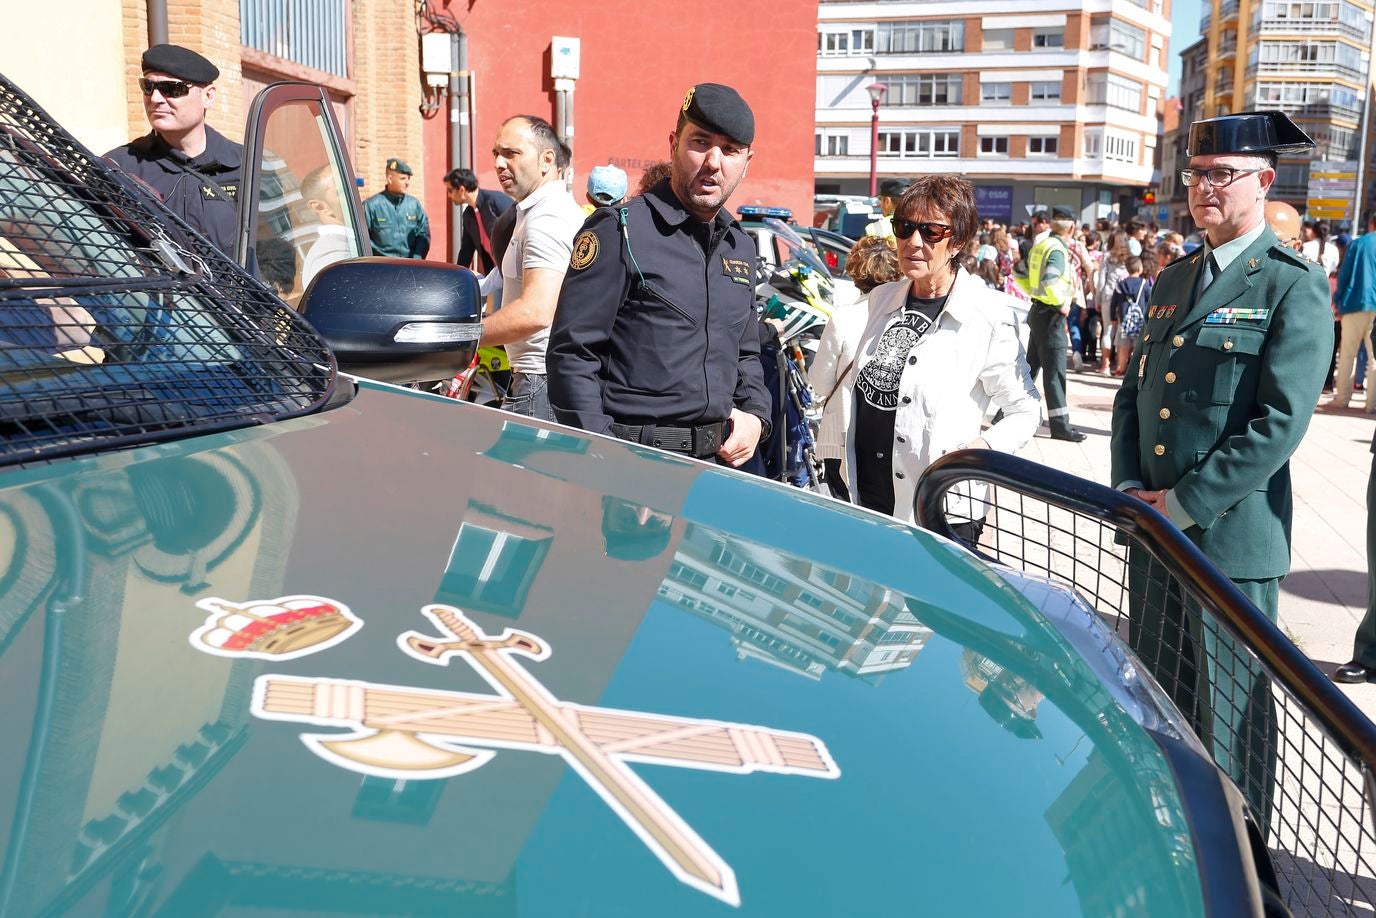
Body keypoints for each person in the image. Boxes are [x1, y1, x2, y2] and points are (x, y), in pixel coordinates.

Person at [1110, 111, 1330, 821]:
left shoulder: (1292, 285)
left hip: (1229, 544)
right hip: (1154, 534)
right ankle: (1176, 845)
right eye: (1196, 174)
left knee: (1232, 728)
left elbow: (1279, 425)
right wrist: (1127, 491)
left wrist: (1182, 504)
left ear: (1264, 181)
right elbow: (1133, 397)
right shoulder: (1174, 280)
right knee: (1160, 703)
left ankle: (1244, 871)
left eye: (1221, 174)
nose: (1204, 187)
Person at [547, 83, 771, 465]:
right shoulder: (620, 231)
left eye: (730, 150)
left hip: (716, 468)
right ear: (673, 144)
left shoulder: (740, 246)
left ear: (747, 161)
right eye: (700, 142)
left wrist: (755, 415)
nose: (714, 162)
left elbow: (746, 352)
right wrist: (608, 458)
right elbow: (572, 355)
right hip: (633, 466)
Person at [833, 174, 1039, 526]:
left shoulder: (985, 316)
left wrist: (977, 452)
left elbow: (1024, 409)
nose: (912, 242)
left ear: (957, 241)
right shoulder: (879, 300)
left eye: (930, 232)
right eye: (903, 227)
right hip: (866, 500)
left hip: (938, 509)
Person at [480, 115, 586, 421]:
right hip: (537, 379)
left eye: (511, 153)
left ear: (546, 160)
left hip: (540, 381)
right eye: (496, 154)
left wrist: (464, 337)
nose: (499, 163)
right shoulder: (534, 211)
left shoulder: (547, 219)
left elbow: (536, 311)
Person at [105, 44, 242, 255]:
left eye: (172, 89)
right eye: (148, 87)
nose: (156, 99)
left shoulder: (249, 166)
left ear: (208, 96)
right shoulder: (118, 168)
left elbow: (280, 257)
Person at [809, 235, 901, 501]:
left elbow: (820, 383)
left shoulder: (843, 317)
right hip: (889, 441)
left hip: (841, 435)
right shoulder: (904, 318)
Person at [1018, 207, 1087, 441]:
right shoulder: (1057, 249)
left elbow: (1018, 272)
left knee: (1031, 368)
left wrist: (1034, 294)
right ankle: (1060, 427)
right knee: (1055, 373)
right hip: (1051, 317)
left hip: (1038, 311)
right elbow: (1049, 280)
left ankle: (1002, 414)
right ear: (1072, 228)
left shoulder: (1042, 244)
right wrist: (1061, 304)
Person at [1328, 213, 1376, 413]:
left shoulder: (1359, 244)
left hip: (1355, 304)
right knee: (1374, 357)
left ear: (1372, 223)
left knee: (1347, 354)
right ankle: (1371, 404)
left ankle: (1342, 399)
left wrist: (1338, 302)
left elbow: (1345, 274)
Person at [445, 167, 514, 275]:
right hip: (496, 273)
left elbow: (519, 227)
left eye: (450, 190)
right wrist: (457, 277)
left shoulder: (496, 200)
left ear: (461, 190)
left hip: (516, 270)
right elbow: (466, 252)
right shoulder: (468, 215)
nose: (449, 195)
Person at [299, 164, 358, 289]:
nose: (354, 194)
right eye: (342, 191)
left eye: (353, 186)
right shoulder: (334, 255)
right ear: (320, 207)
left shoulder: (344, 244)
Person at [363, 158, 430, 259]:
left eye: (408, 179)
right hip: (381, 266)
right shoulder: (371, 206)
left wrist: (417, 259)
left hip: (410, 266)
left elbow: (423, 233)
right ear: (390, 179)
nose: (407, 183)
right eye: (403, 179)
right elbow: (363, 238)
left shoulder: (414, 205)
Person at [1111, 256, 1150, 375]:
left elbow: (1114, 303)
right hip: (1140, 320)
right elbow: (1149, 301)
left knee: (1123, 346)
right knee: (1138, 347)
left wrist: (1113, 317)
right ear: (1140, 268)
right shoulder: (1144, 284)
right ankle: (1135, 371)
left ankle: (1121, 367)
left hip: (1124, 320)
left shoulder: (1121, 284)